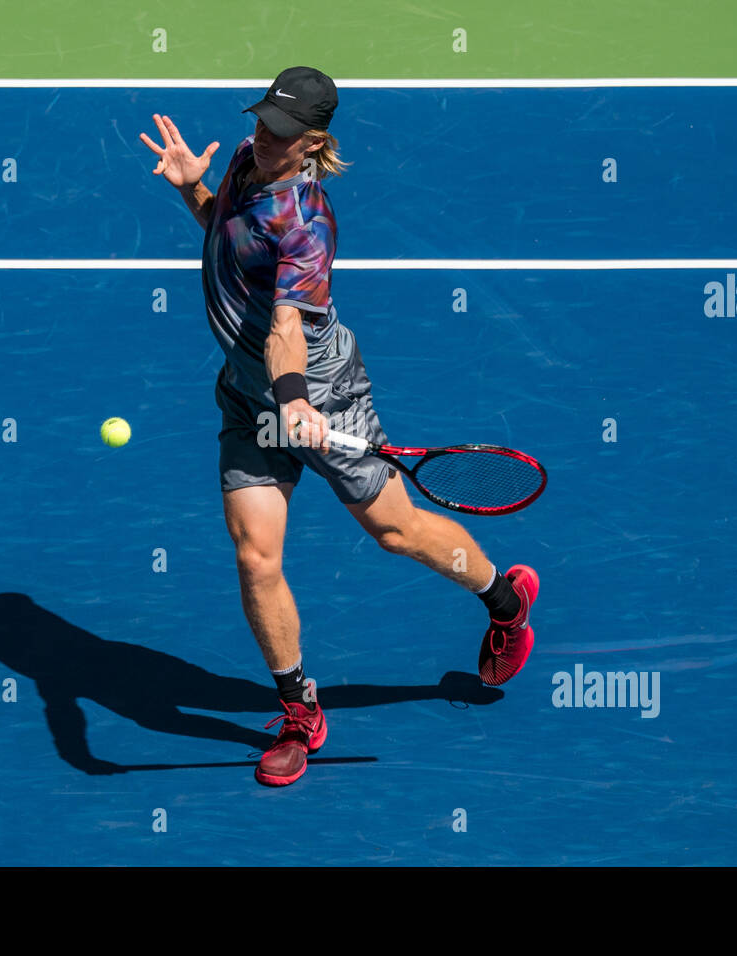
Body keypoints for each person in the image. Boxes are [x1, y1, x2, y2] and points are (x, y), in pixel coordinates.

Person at [139, 66, 539, 787]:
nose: (264, 137)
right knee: (256, 557)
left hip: (321, 398)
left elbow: (287, 327)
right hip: (246, 397)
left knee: (394, 531)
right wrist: (190, 189)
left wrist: (295, 401)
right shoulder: (243, 159)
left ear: (312, 142)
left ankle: (504, 602)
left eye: (281, 132)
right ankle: (300, 711)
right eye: (262, 121)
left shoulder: (308, 224)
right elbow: (228, 238)